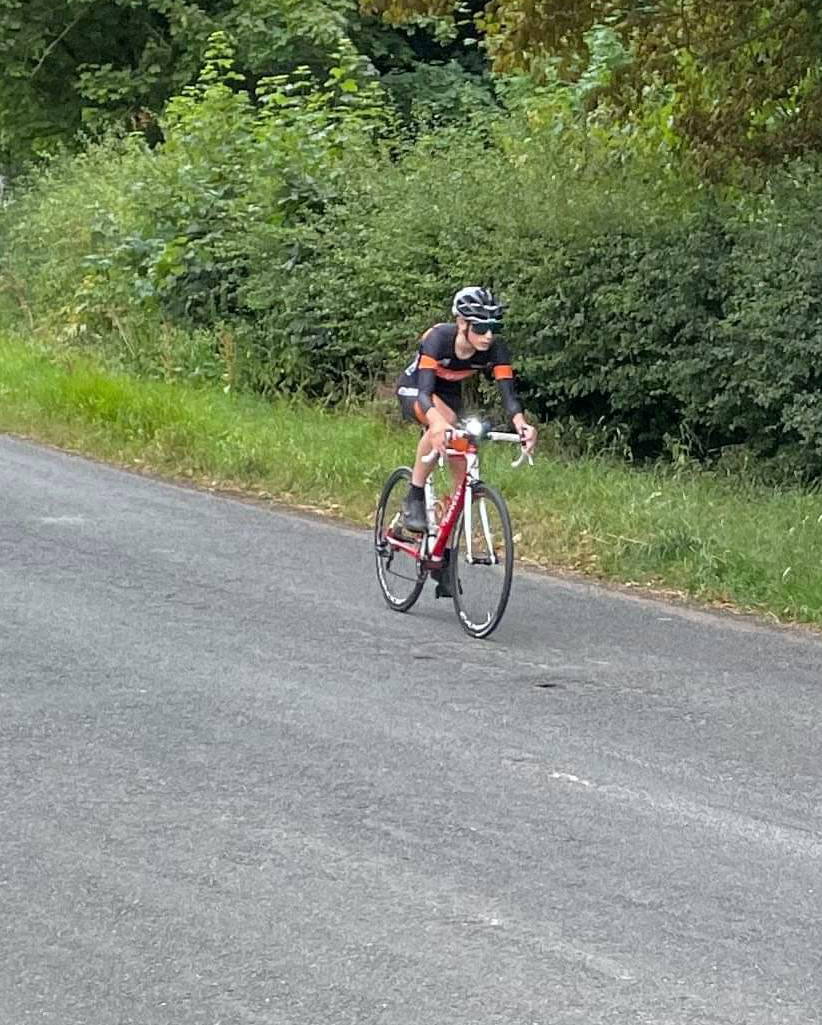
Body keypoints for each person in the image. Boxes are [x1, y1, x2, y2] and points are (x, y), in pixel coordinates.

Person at [395, 285, 538, 544]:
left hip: (449, 394)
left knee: (462, 460)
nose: (488, 336)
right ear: (462, 323)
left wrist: (522, 424)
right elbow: (425, 393)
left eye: (494, 327)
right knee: (444, 422)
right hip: (416, 388)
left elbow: (508, 396)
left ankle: (444, 534)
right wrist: (437, 422)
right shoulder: (438, 338)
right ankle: (414, 496)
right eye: (481, 328)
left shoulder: (496, 349)